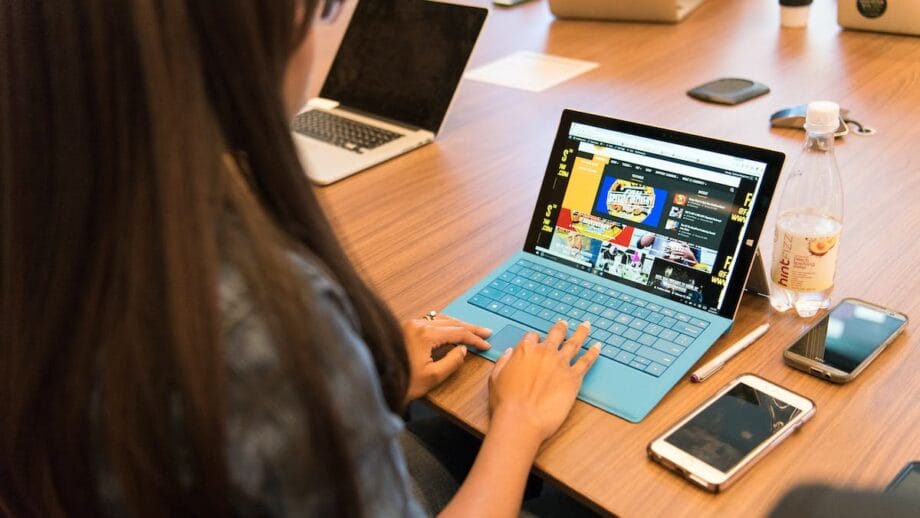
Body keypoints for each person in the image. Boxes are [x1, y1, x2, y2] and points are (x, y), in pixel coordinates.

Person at [0, 1, 601, 516]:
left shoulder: (54, 229)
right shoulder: (259, 326)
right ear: (240, 44)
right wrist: (518, 422)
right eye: (321, 10)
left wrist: (356, 390)